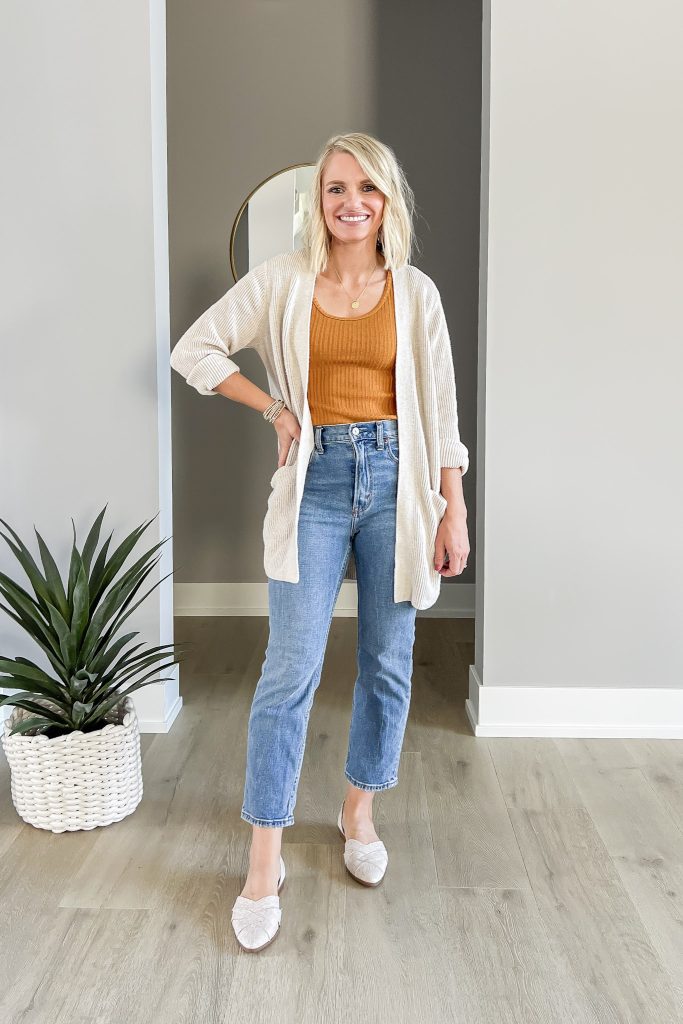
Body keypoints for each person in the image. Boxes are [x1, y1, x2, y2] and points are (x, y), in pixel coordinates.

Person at [170, 131, 470, 952]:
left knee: (385, 658)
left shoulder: (414, 293)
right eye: (336, 188)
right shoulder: (281, 282)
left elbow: (438, 410)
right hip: (318, 482)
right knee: (289, 671)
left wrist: (453, 507)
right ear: (318, 201)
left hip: (399, 485)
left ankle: (357, 812)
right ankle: (263, 858)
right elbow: (191, 350)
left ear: (386, 202)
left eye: (365, 190)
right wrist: (273, 408)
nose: (350, 203)